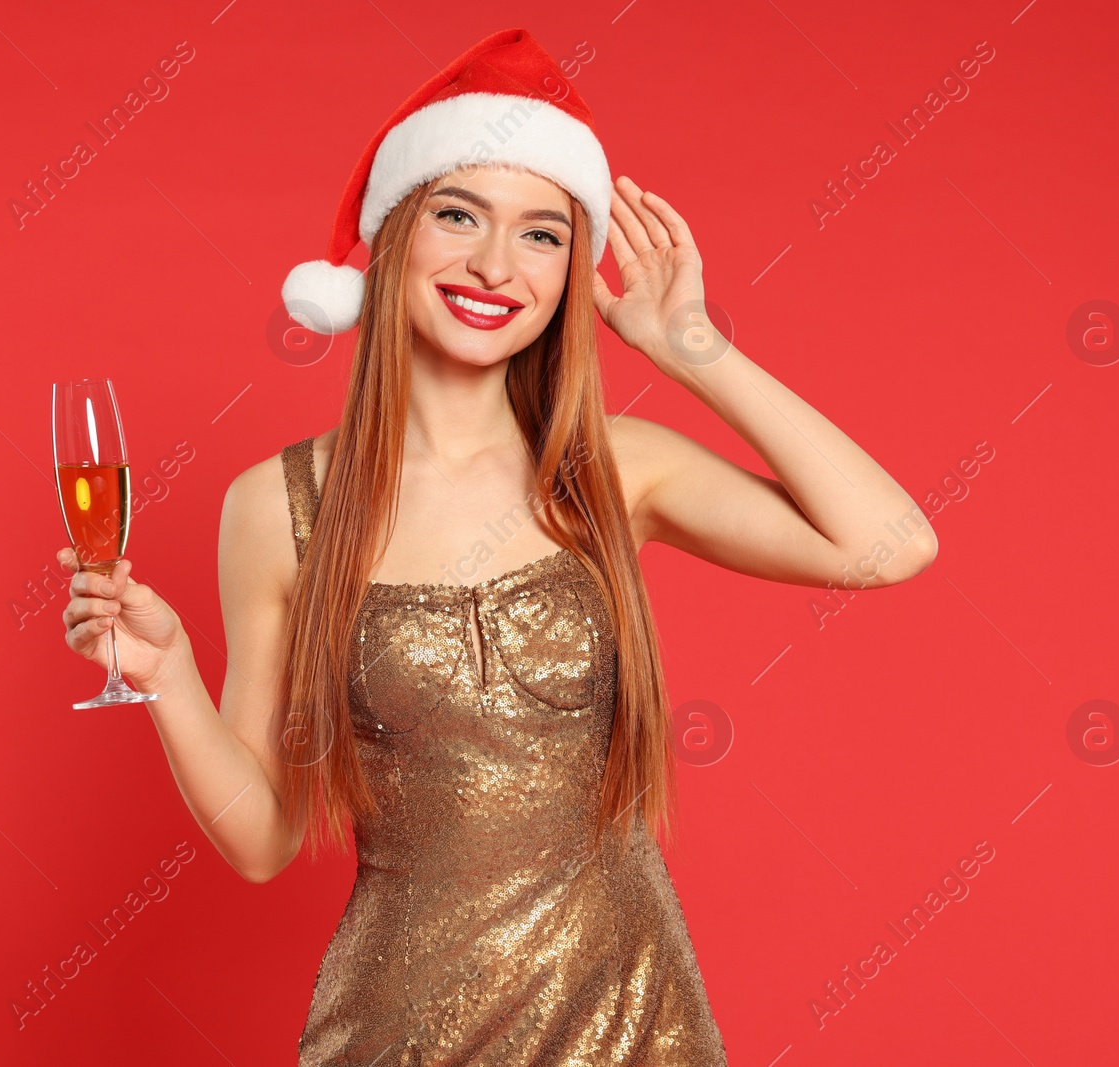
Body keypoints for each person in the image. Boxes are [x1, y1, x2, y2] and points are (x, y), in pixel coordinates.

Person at [58, 28, 936, 1065]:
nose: (493, 264)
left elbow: (888, 543)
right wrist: (167, 678)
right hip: (396, 1031)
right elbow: (262, 839)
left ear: (572, 269)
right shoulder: (279, 504)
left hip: (630, 1020)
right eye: (459, 214)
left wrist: (692, 347)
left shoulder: (614, 467)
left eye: (541, 235)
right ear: (394, 237)